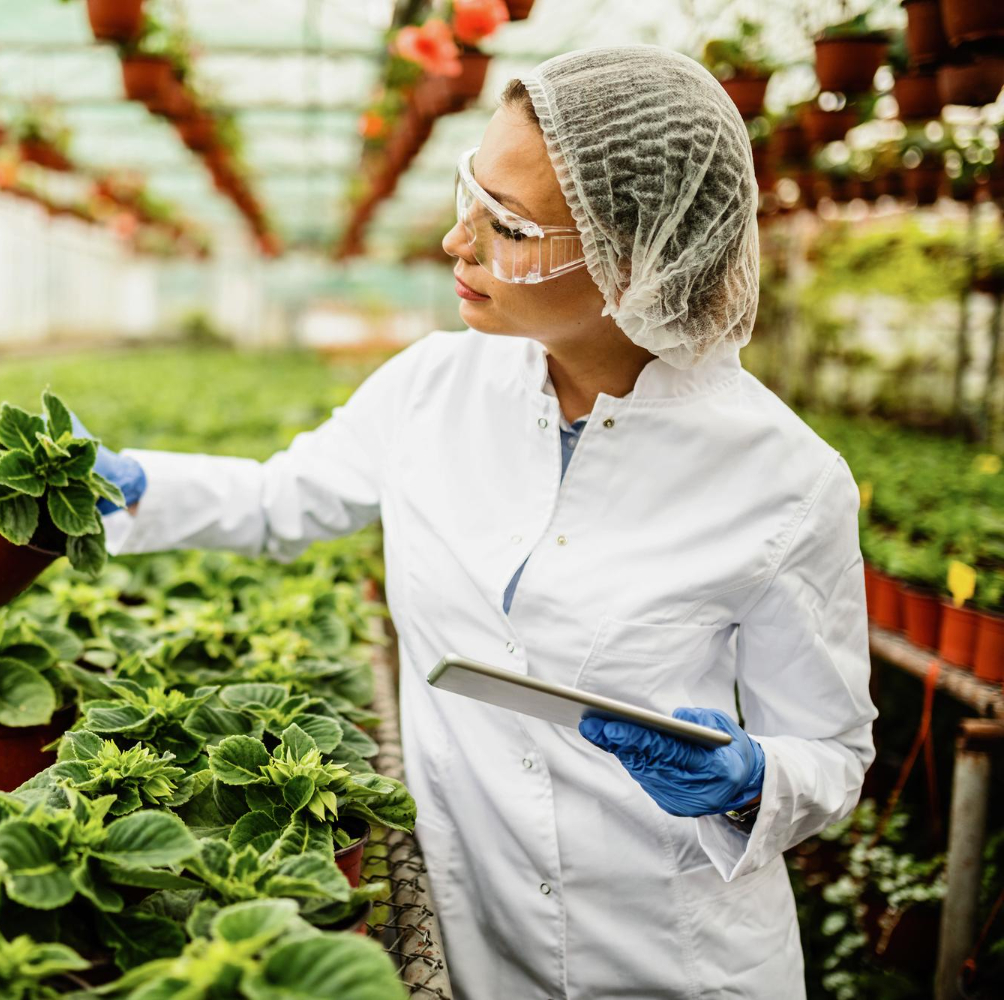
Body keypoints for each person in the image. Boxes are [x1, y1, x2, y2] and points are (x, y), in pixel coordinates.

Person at [84, 45, 876, 999]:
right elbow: (282, 499)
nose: (458, 243)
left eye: (507, 225)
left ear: (635, 260)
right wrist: (124, 485)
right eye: (473, 195)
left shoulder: (785, 480)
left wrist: (749, 779)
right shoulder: (434, 385)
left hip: (679, 959)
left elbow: (831, 754)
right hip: (475, 941)